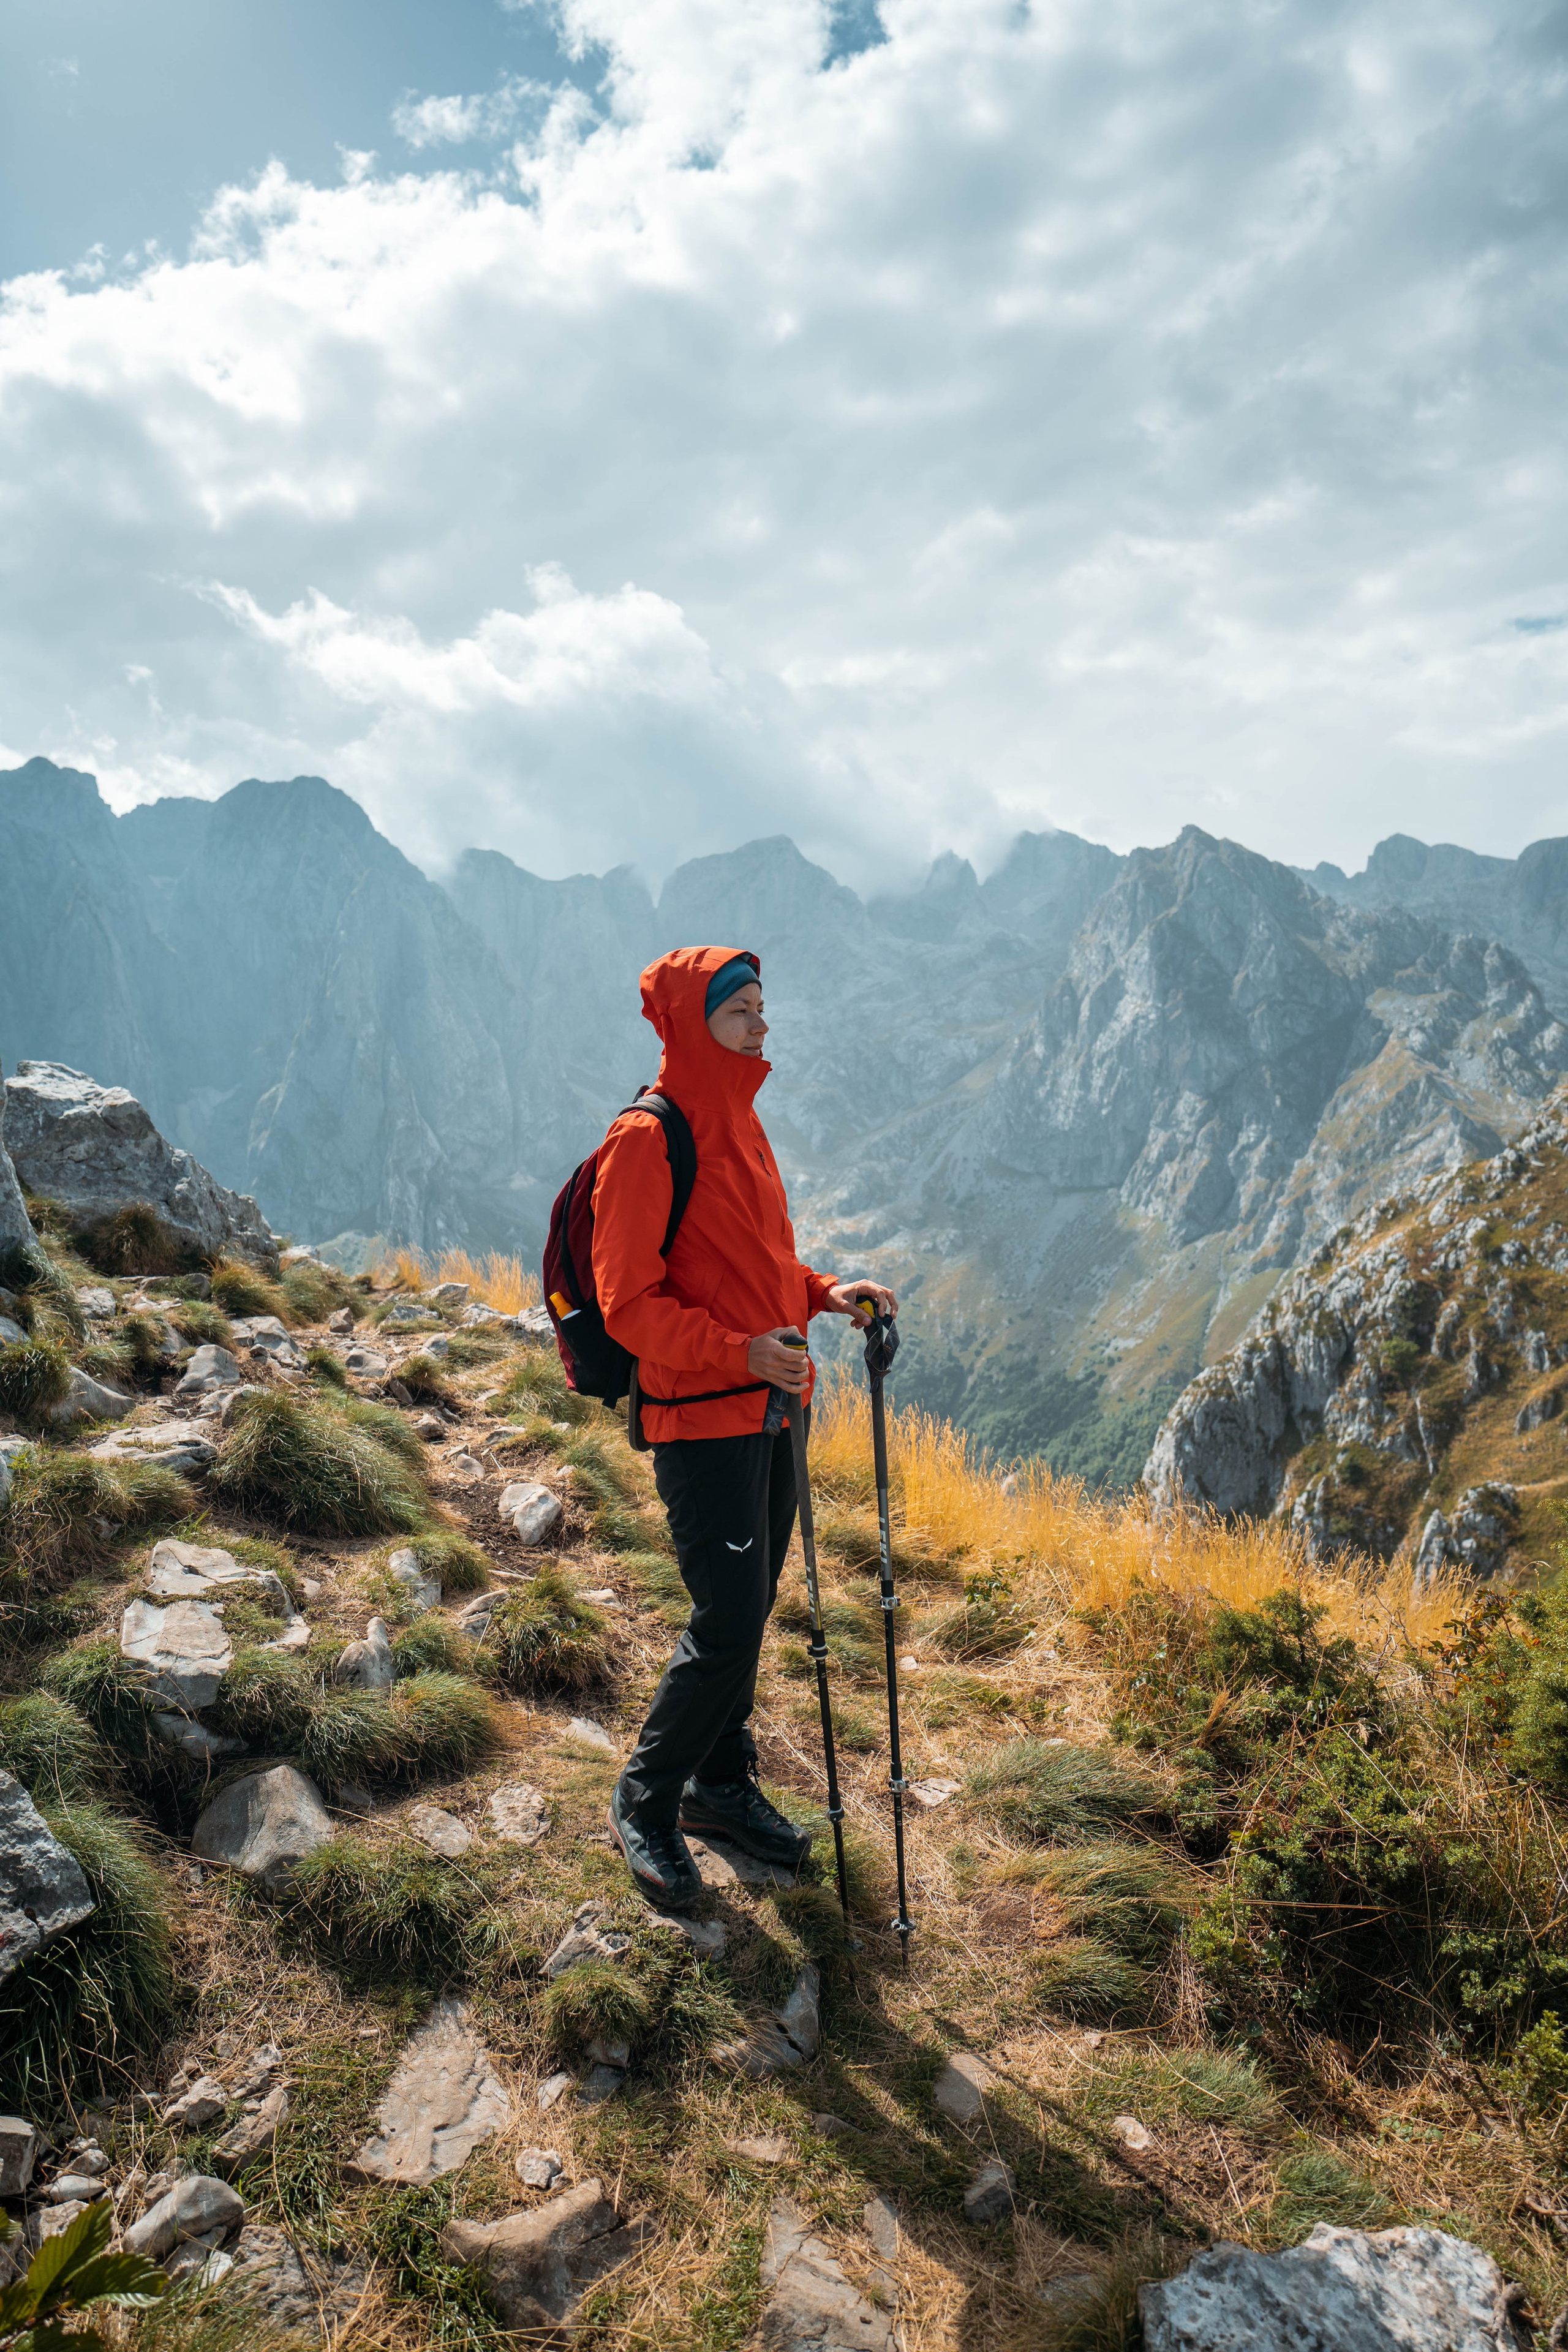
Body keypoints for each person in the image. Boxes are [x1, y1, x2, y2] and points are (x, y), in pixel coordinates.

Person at [592, 944, 897, 1910]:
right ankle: (646, 1799)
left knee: (748, 1608)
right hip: (703, 1419)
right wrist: (740, 1356)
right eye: (741, 1011)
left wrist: (824, 1293)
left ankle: (719, 1788)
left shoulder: (742, 1121)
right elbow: (626, 1306)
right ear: (692, 1023)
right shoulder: (647, 1138)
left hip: (770, 1409)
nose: (763, 1024)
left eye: (765, 1007)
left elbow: (758, 1272)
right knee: (726, 1619)